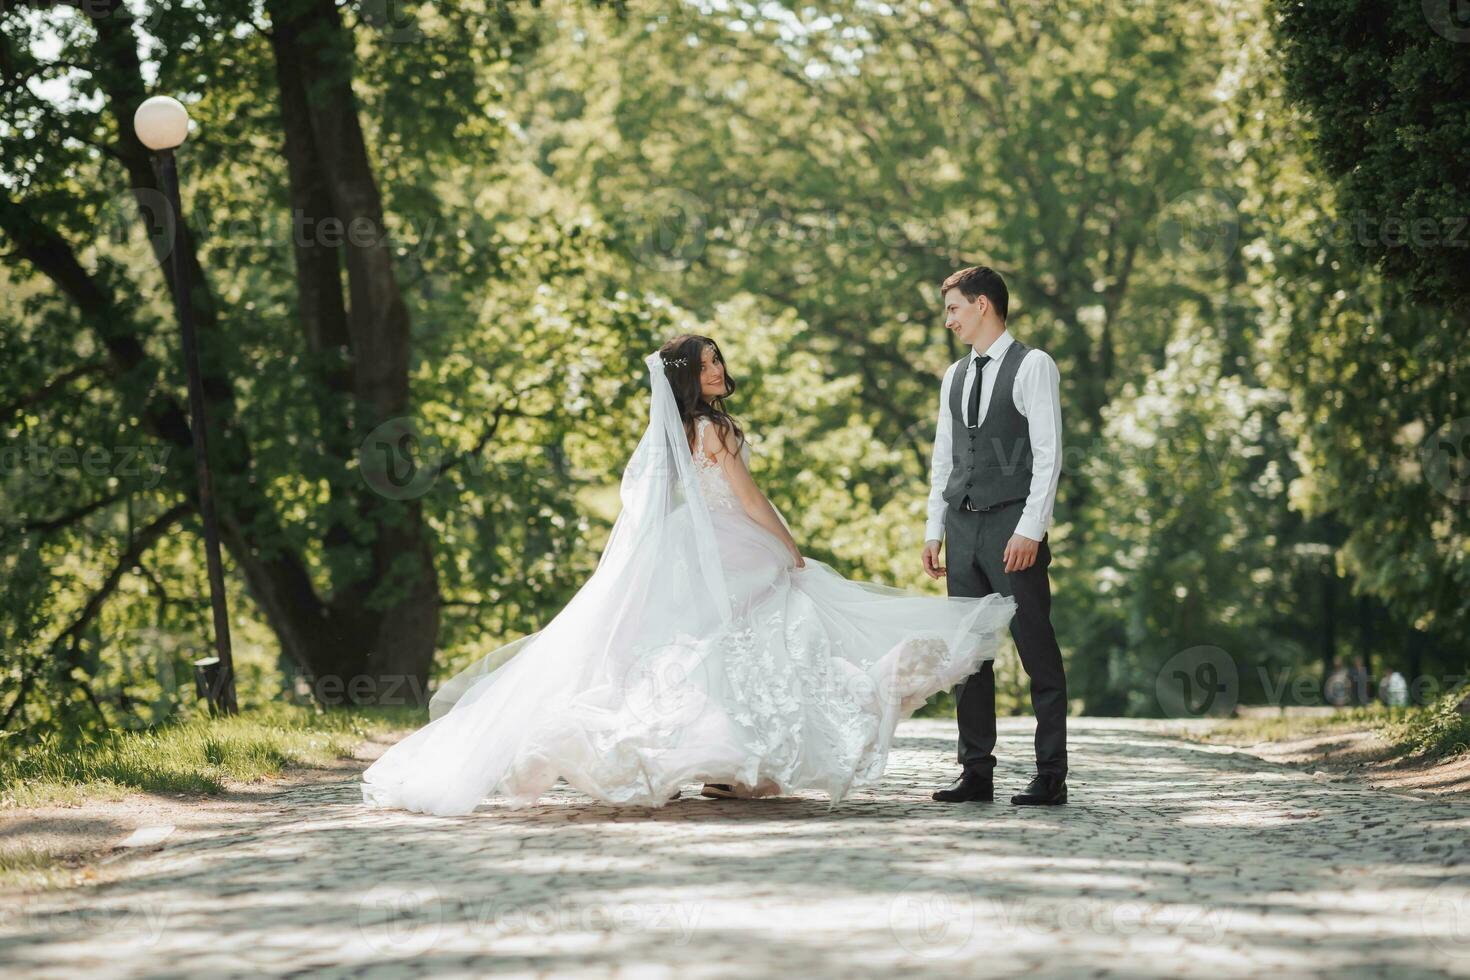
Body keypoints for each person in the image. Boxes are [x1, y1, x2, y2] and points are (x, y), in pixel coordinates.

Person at [360, 334, 1017, 815]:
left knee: (709, 651)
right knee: (773, 629)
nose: (720, 370)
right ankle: (766, 748)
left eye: (720, 360)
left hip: (696, 542)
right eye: (709, 365)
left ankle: (731, 765)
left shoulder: (678, 428)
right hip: (737, 542)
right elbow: (752, 500)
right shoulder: (716, 430)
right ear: (689, 378)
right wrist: (788, 545)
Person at [921, 265, 1069, 807]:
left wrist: (1032, 527)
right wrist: (934, 529)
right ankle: (975, 772)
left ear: (983, 305)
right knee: (970, 654)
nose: (949, 320)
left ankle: (1051, 774)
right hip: (962, 524)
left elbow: (1049, 455)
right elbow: (945, 456)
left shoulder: (1034, 366)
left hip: (1013, 524)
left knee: (1036, 650)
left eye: (954, 308)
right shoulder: (954, 376)